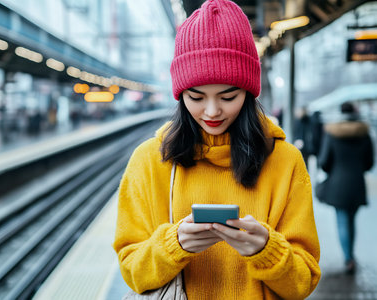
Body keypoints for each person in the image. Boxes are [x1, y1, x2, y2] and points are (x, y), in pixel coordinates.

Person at [113, 1, 321, 299]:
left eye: (228, 96)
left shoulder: (285, 161)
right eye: (196, 97)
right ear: (180, 93)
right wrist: (174, 245)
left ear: (248, 91)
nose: (212, 111)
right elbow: (133, 273)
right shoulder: (148, 161)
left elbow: (304, 283)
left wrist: (267, 251)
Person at [317, 102, 374, 274]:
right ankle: (351, 255)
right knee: (351, 220)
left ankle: (348, 258)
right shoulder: (364, 133)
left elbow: (324, 162)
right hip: (357, 184)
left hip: (337, 185)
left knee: (342, 220)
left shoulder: (332, 133)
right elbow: (369, 163)